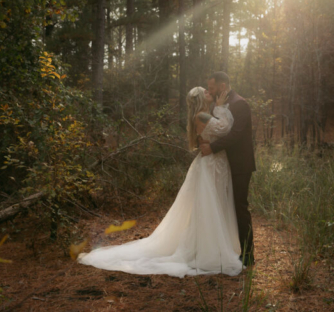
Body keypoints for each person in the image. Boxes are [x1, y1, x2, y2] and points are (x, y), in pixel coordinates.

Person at [77, 86, 243, 277]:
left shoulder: (205, 114)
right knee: (209, 206)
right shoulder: (202, 116)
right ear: (199, 98)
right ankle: (208, 249)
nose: (209, 92)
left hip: (215, 164)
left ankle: (213, 244)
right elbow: (225, 128)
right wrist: (221, 107)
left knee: (215, 204)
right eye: (204, 91)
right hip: (211, 165)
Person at [200, 72, 256, 266]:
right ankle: (226, 248)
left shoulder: (240, 104)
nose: (210, 91)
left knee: (240, 207)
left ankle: (248, 254)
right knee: (223, 207)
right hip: (222, 164)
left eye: (213, 88)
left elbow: (237, 135)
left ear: (223, 86)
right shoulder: (219, 105)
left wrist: (212, 148)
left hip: (240, 164)